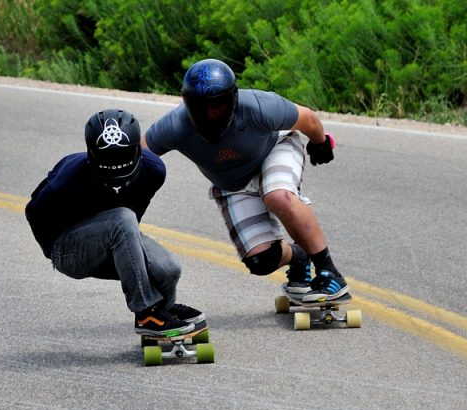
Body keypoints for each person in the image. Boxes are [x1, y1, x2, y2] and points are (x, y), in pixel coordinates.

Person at [143, 58, 350, 304]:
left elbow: (308, 119)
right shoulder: (175, 125)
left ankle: (330, 274)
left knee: (278, 195)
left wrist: (320, 142)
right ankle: (298, 256)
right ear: (188, 104)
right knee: (261, 261)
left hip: (275, 148)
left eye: (218, 105)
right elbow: (139, 154)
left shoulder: (259, 106)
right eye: (201, 107)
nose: (210, 114)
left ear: (233, 98)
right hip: (233, 183)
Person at [25, 109, 204, 338]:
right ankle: (146, 313)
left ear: (137, 150)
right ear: (91, 153)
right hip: (67, 247)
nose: (116, 164)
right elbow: (33, 211)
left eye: (122, 156)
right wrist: (55, 253)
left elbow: (133, 219)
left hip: (113, 235)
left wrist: (126, 254)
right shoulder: (69, 175)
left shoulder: (153, 171)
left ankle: (162, 315)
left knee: (168, 269)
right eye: (108, 159)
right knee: (122, 217)